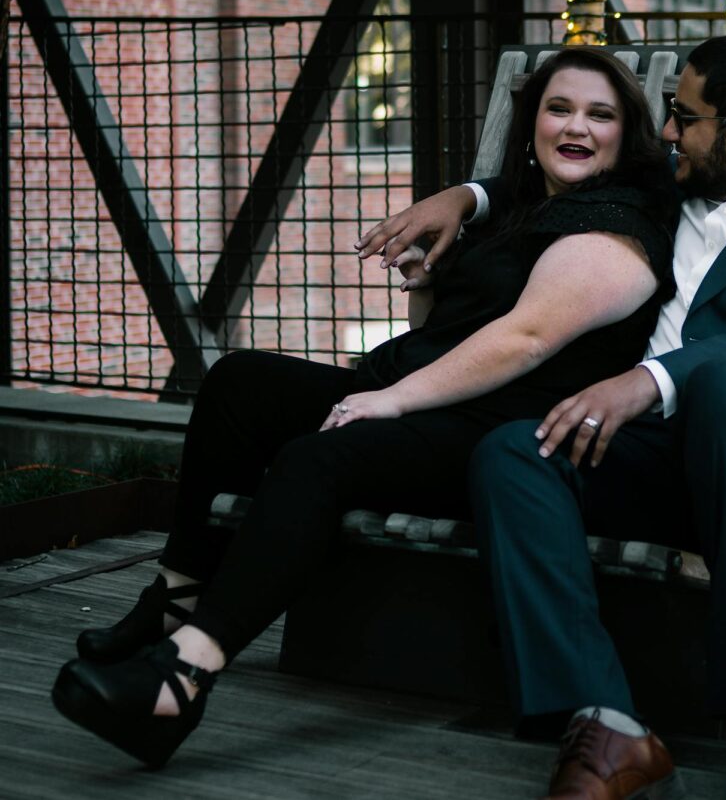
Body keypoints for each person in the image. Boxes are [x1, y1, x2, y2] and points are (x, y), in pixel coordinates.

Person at [50, 47, 682, 770]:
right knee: (239, 384)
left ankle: (181, 680)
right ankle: (179, 595)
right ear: (532, 120)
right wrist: (424, 279)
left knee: (321, 458)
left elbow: (526, 339)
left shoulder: (618, 229)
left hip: (495, 433)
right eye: (559, 108)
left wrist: (387, 401)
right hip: (431, 398)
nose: (577, 127)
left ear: (626, 132)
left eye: (600, 114)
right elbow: (440, 333)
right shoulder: (525, 203)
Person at [359, 35, 726, 800]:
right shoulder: (673, 187)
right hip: (660, 458)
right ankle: (605, 720)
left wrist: (648, 381)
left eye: (683, 116)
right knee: (518, 449)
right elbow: (545, 181)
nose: (665, 131)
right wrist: (464, 196)